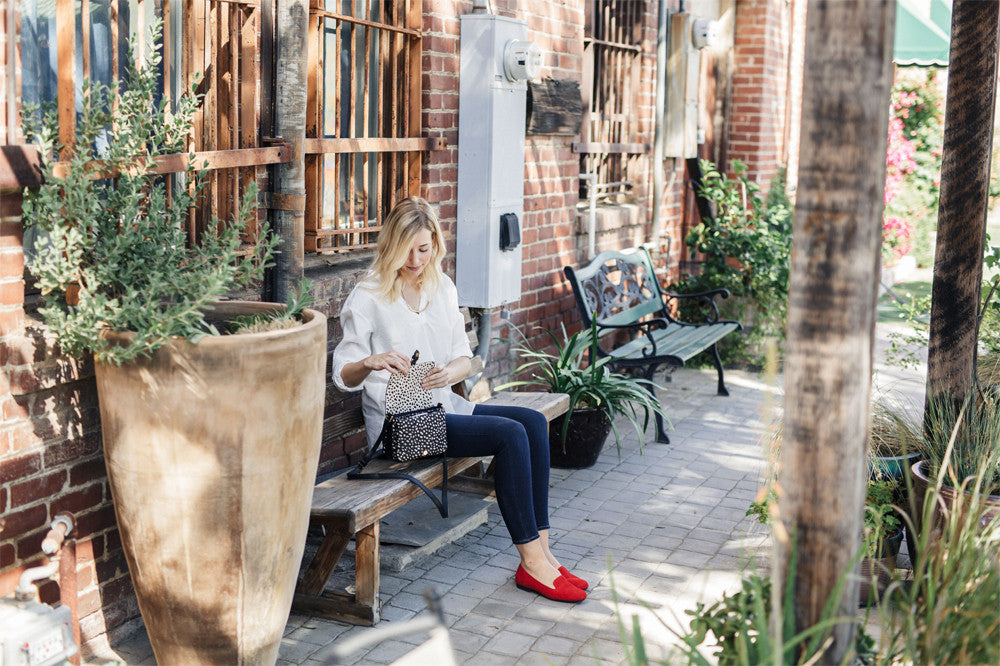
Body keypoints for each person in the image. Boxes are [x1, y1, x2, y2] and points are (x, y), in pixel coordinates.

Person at [332, 197, 588, 603]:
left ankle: (543, 554)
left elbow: (464, 359)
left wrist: (451, 373)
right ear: (390, 245)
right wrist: (370, 361)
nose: (415, 260)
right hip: (400, 428)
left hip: (444, 410)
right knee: (508, 435)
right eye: (406, 250)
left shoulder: (442, 287)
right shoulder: (368, 295)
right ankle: (531, 563)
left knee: (534, 423)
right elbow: (343, 375)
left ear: (435, 244)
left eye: (424, 248)